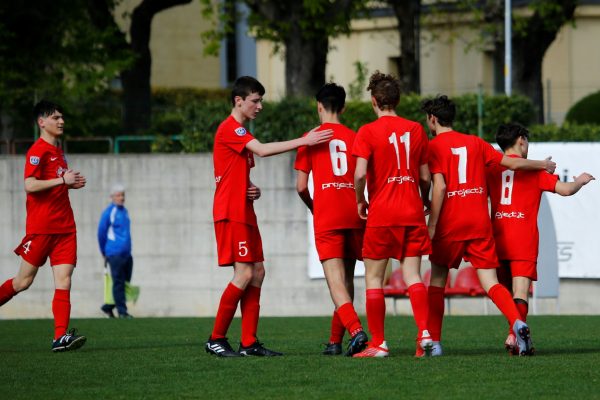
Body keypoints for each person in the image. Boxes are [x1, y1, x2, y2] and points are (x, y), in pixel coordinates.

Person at [206, 76, 333, 357]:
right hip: (231, 212)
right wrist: (306, 140)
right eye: (255, 100)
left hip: (244, 210)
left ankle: (249, 343)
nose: (259, 106)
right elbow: (262, 150)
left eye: (260, 100)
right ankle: (216, 339)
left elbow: (230, 173)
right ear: (238, 101)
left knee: (258, 272)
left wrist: (250, 188)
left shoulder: (238, 133)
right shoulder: (231, 129)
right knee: (245, 273)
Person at [423, 95, 557, 357]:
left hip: (450, 221)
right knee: (490, 282)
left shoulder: (433, 147)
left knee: (438, 281)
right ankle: (517, 323)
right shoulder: (476, 143)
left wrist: (432, 224)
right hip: (478, 222)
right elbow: (513, 162)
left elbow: (439, 186)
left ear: (432, 119)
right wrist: (543, 164)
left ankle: (435, 343)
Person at [486, 123, 595, 354]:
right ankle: (513, 335)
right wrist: (580, 181)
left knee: (504, 292)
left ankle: (513, 335)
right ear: (521, 140)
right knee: (520, 291)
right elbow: (565, 190)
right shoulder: (535, 172)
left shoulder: (492, 169)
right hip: (523, 239)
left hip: (497, 238)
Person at [351, 72, 433, 358]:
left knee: (374, 278)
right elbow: (425, 178)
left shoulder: (367, 132)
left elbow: (360, 173)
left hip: (382, 214)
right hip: (411, 211)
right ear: (397, 100)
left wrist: (360, 200)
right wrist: (423, 200)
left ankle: (379, 344)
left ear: (374, 101)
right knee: (413, 275)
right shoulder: (415, 129)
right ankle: (424, 333)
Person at [0, 100, 87, 352]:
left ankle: (59, 337)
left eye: (62, 117)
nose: (61, 121)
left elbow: (54, 183)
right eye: (55, 117)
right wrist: (62, 180)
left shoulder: (59, 151)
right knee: (22, 282)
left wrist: (67, 183)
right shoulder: (37, 151)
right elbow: (29, 185)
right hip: (42, 228)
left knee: (65, 279)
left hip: (65, 228)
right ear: (42, 122)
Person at [294, 83, 368, 356]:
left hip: (327, 214)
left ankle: (357, 331)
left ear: (319, 106)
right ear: (344, 107)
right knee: (347, 280)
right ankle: (335, 341)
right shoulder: (355, 136)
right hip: (353, 211)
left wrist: (314, 207)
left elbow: (301, 186)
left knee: (334, 282)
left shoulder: (310, 137)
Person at [98, 184, 134, 319]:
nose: (122, 198)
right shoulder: (109, 212)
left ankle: (107, 307)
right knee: (118, 282)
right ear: (112, 197)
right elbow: (101, 232)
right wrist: (103, 250)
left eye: (123, 195)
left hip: (127, 253)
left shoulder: (124, 211)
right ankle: (122, 312)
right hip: (114, 253)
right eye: (118, 195)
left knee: (125, 282)